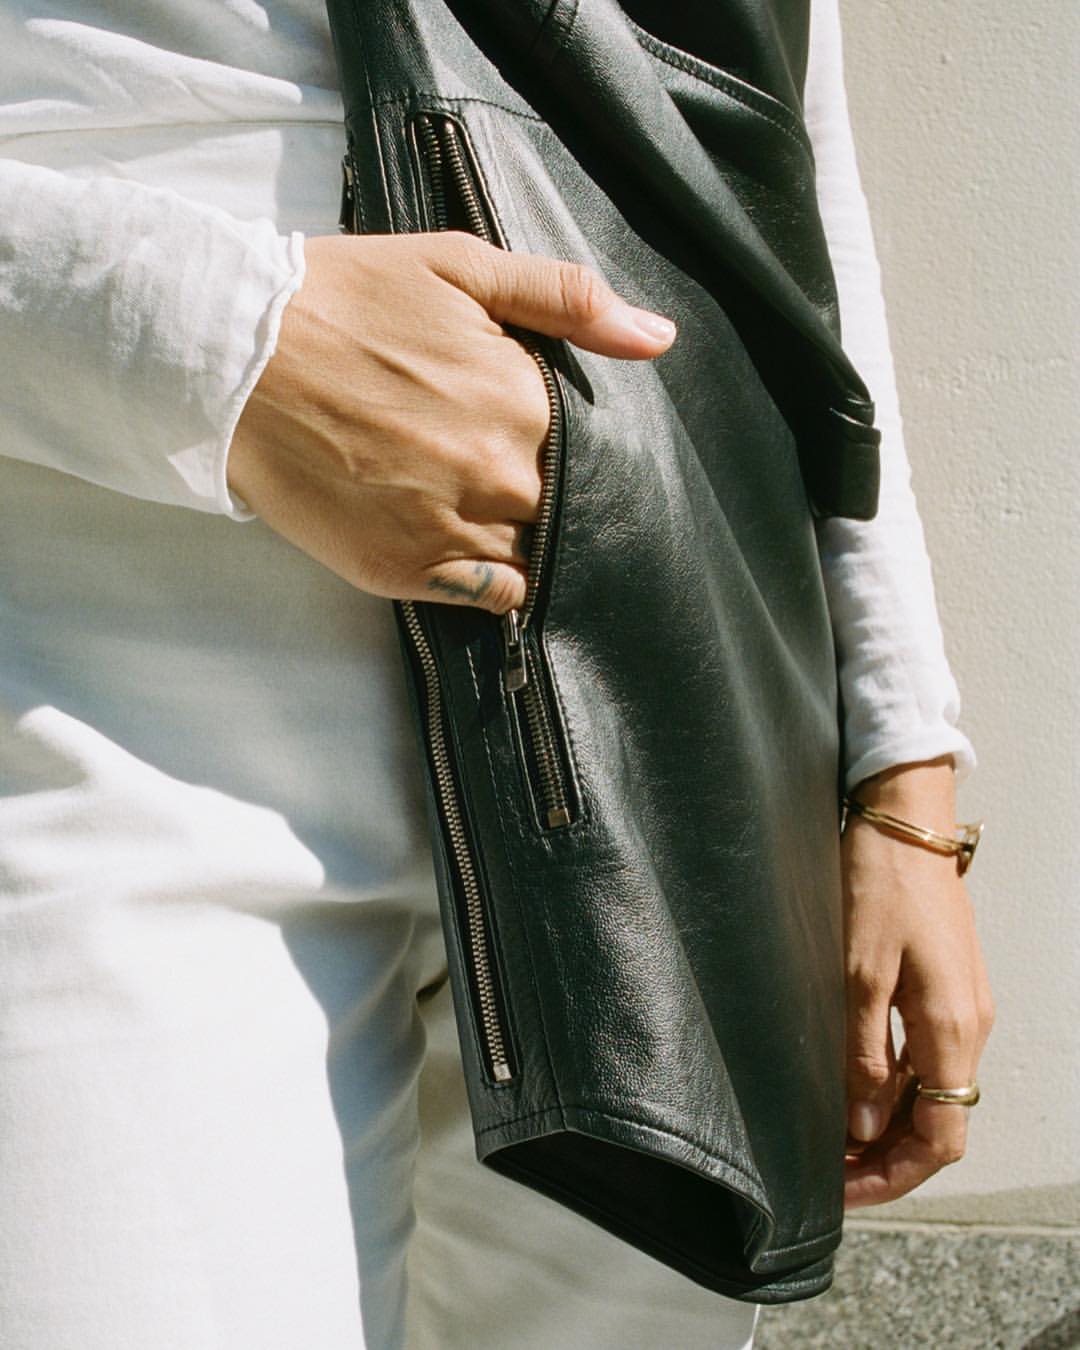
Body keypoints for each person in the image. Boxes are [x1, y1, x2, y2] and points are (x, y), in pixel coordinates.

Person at [0, 1, 993, 1346]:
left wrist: (901, 761)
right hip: (95, 644)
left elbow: (770, 162)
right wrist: (213, 339)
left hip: (668, 696)